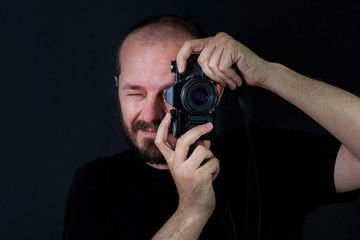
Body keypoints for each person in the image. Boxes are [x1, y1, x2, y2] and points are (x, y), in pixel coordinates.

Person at [62, 15, 360, 240]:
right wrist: (191, 210)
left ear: (210, 93)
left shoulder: (266, 157)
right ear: (117, 88)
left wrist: (270, 74)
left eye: (171, 92)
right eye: (135, 93)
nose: (151, 113)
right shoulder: (97, 186)